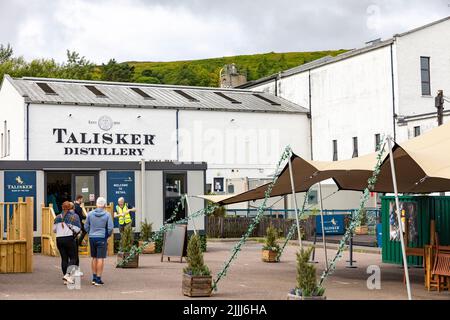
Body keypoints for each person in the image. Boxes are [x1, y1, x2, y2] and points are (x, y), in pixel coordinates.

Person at [84, 197, 114, 286]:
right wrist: (107, 236)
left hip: (92, 237)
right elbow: (110, 228)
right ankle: (98, 279)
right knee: (100, 258)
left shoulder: (90, 214)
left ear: (96, 204)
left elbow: (86, 226)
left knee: (94, 258)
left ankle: (93, 278)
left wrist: (90, 233)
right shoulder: (107, 215)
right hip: (102, 238)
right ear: (104, 205)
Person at [53, 201, 81, 285]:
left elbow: (54, 230)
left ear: (62, 207)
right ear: (69, 208)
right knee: (73, 258)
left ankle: (66, 279)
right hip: (69, 239)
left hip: (59, 239)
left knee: (64, 259)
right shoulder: (73, 217)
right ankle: (68, 275)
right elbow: (77, 229)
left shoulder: (57, 217)